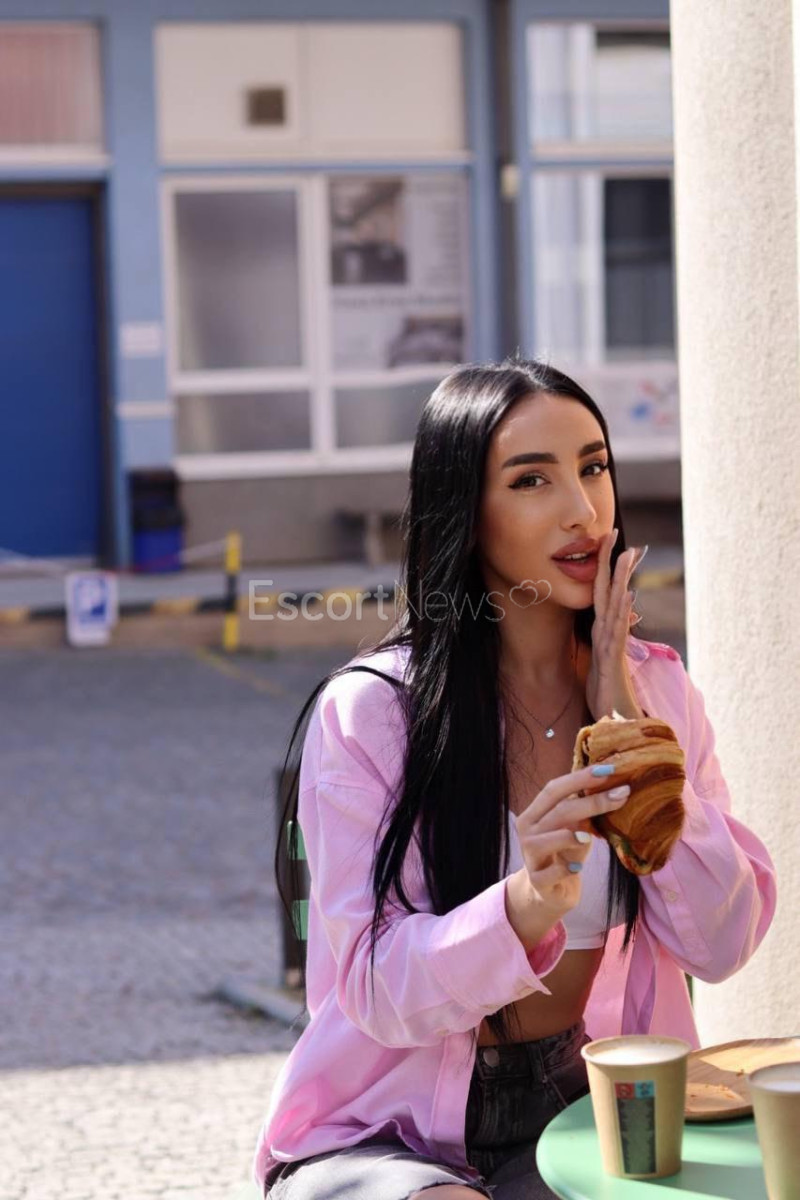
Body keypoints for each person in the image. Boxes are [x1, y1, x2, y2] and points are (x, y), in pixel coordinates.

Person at [252, 358, 776, 1200]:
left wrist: (633, 739)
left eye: (593, 467)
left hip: (589, 1113)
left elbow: (723, 946)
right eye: (532, 479)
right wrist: (525, 904)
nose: (583, 510)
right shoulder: (374, 712)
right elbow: (374, 988)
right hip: (386, 1129)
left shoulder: (659, 693)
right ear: (466, 510)